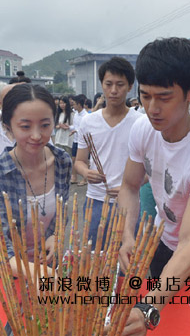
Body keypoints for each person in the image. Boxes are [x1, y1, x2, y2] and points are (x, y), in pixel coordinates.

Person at [117, 38, 190, 334]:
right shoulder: (143, 128)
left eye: (164, 97)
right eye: (145, 96)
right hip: (162, 239)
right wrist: (126, 235)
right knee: (161, 319)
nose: (153, 108)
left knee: (189, 325)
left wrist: (149, 307)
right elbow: (129, 186)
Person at [0, 83, 72, 275]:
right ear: (8, 127)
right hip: (12, 275)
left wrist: (55, 236)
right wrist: (33, 273)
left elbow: (61, 214)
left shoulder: (62, 162)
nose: (37, 135)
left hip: (49, 267)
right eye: (25, 126)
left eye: (45, 125)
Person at [75, 57, 142, 249]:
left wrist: (129, 187)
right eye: (108, 84)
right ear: (102, 85)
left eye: (120, 85)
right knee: (96, 260)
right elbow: (79, 160)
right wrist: (86, 172)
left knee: (127, 260)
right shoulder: (88, 122)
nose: (114, 90)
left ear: (130, 86)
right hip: (96, 200)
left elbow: (150, 169)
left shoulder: (140, 123)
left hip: (129, 205)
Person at [69, 94, 88, 185]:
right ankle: (74, 177)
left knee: (84, 160)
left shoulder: (86, 116)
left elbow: (84, 129)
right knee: (73, 159)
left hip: (83, 141)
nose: (73, 106)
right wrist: (69, 127)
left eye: (74, 104)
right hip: (76, 140)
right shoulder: (76, 114)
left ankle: (85, 179)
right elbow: (75, 126)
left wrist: (75, 130)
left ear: (79, 104)